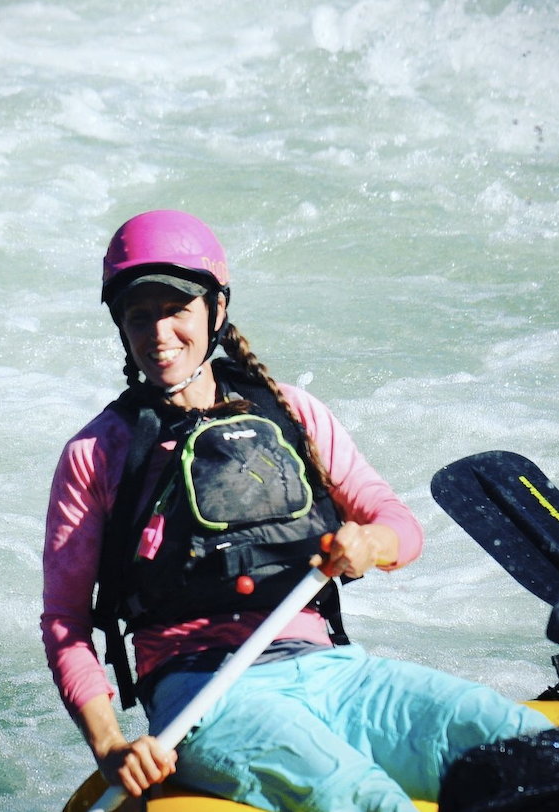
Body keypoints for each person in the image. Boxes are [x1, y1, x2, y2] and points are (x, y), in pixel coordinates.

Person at [41, 210, 550, 812]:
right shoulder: (98, 453)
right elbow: (65, 623)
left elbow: (398, 525)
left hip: (332, 671)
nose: (158, 332)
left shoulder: (292, 413)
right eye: (138, 314)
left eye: (176, 309)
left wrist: (370, 544)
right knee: (365, 800)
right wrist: (109, 746)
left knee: (527, 753)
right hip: (204, 694)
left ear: (216, 311)